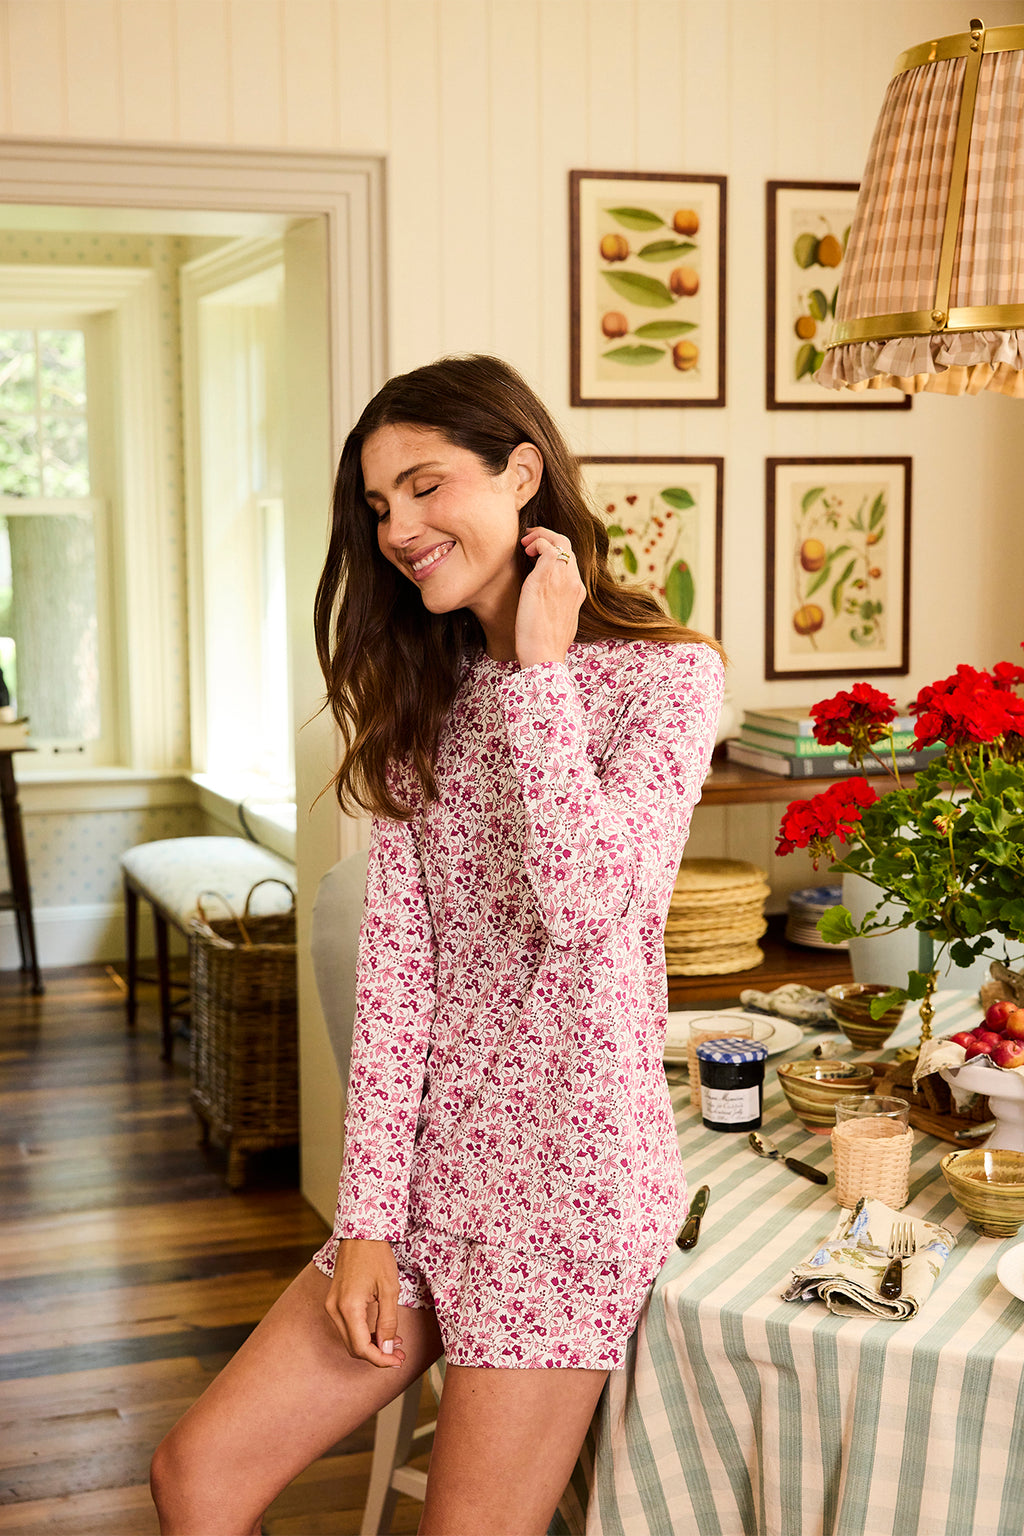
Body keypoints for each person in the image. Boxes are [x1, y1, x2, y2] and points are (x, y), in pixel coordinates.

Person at [151, 354, 725, 1536]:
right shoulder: (424, 695)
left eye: (424, 487)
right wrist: (366, 1221)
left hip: (567, 1196)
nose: (400, 529)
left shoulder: (668, 679)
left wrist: (538, 678)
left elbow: (584, 909)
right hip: (426, 1186)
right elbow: (399, 985)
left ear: (522, 475)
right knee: (197, 1477)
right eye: (378, 508)